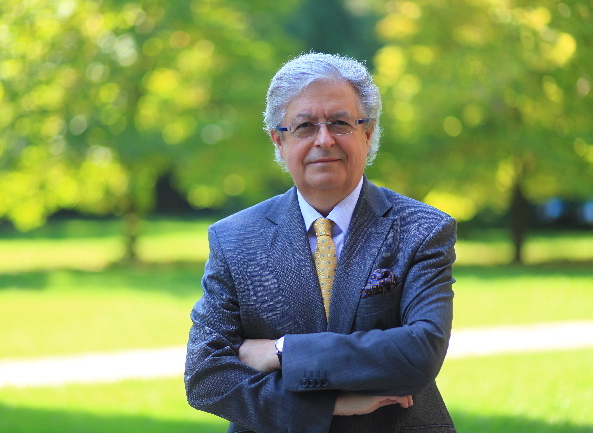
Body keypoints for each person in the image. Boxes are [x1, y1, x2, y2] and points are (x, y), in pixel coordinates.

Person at [185, 52, 457, 433]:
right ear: (279, 140)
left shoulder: (423, 229)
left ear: (368, 133)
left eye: (340, 123)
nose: (324, 139)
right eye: (305, 126)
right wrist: (326, 407)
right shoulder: (234, 239)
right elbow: (205, 375)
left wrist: (283, 351)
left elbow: (421, 352)